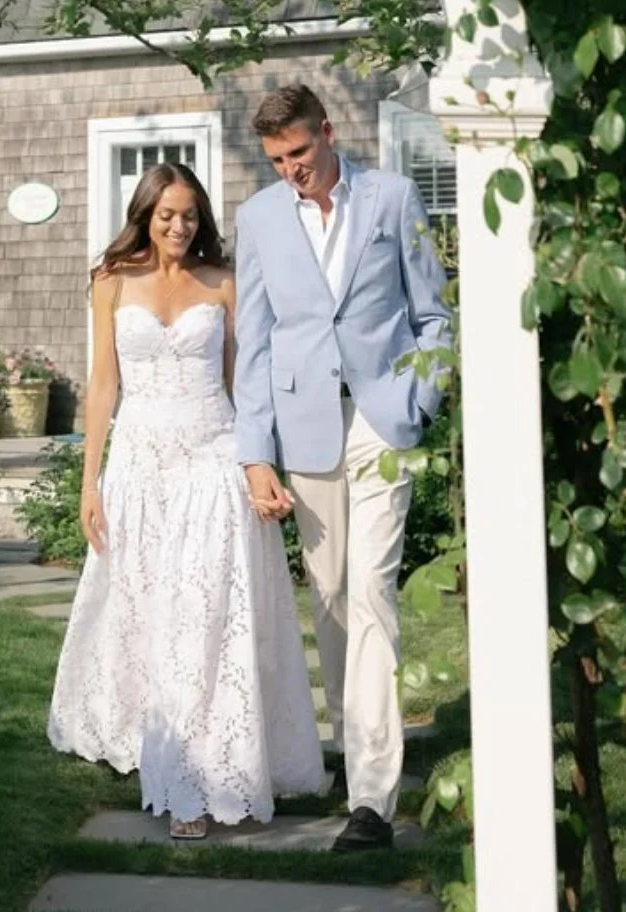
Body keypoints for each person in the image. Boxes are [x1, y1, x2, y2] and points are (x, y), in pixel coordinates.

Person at [48, 162, 325, 839]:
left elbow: (246, 385)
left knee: (206, 616)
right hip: (140, 467)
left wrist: (260, 466)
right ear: (145, 214)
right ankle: (168, 748)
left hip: (212, 455)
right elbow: (104, 386)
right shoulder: (110, 284)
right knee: (154, 616)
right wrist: (91, 482)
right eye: (167, 214)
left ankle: (206, 775)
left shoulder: (223, 285)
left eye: (190, 216)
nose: (179, 226)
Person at [234, 84, 451, 853]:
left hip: (380, 421)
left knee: (370, 591)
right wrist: (255, 453)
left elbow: (433, 314)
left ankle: (370, 800)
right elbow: (254, 345)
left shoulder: (391, 199)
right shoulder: (257, 219)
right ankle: (349, 747)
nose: (290, 170)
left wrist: (417, 400)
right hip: (302, 429)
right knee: (326, 597)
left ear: (326, 132)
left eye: (298, 152)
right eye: (276, 160)